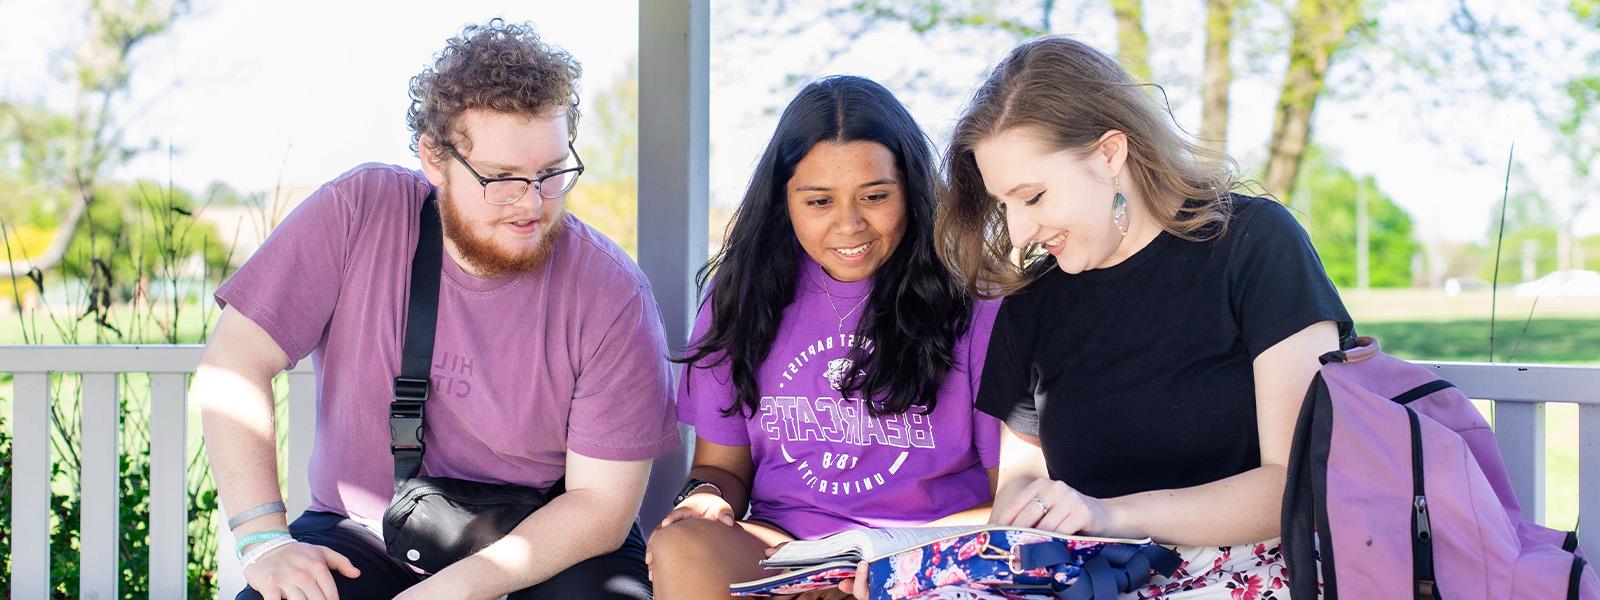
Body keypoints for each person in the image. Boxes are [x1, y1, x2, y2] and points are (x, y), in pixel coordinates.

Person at [194, 19, 677, 600]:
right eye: (501, 178)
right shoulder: (357, 212)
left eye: (552, 174)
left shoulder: (614, 292)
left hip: (555, 541)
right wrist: (263, 540)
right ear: (433, 157)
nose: (532, 204)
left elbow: (600, 505)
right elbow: (234, 363)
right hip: (364, 533)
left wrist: (452, 591)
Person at [934, 36, 1354, 599]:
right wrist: (1025, 513)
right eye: (1002, 204)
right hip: (1091, 578)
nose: (1018, 232)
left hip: (1249, 571)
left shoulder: (1254, 245)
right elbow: (1023, 481)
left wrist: (1108, 515)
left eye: (1032, 196)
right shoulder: (1034, 303)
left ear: (1110, 155)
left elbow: (1291, 484)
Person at [644, 76, 1002, 600]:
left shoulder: (976, 299)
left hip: (925, 557)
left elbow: (1011, 499)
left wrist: (879, 558)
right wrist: (704, 496)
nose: (849, 225)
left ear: (912, 189)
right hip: (787, 555)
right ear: (783, 201)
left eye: (875, 196)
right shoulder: (742, 296)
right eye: (819, 202)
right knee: (683, 546)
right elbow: (721, 468)